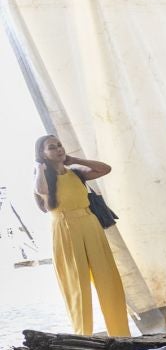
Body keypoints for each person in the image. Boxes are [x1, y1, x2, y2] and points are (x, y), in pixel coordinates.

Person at [33, 135, 130, 337]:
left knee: (108, 278)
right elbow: (41, 191)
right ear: (42, 153)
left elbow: (105, 169)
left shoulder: (76, 172)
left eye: (60, 145)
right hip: (64, 226)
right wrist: (40, 168)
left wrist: (75, 160)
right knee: (76, 283)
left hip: (89, 223)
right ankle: (82, 335)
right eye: (52, 147)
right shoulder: (43, 177)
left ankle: (120, 334)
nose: (58, 149)